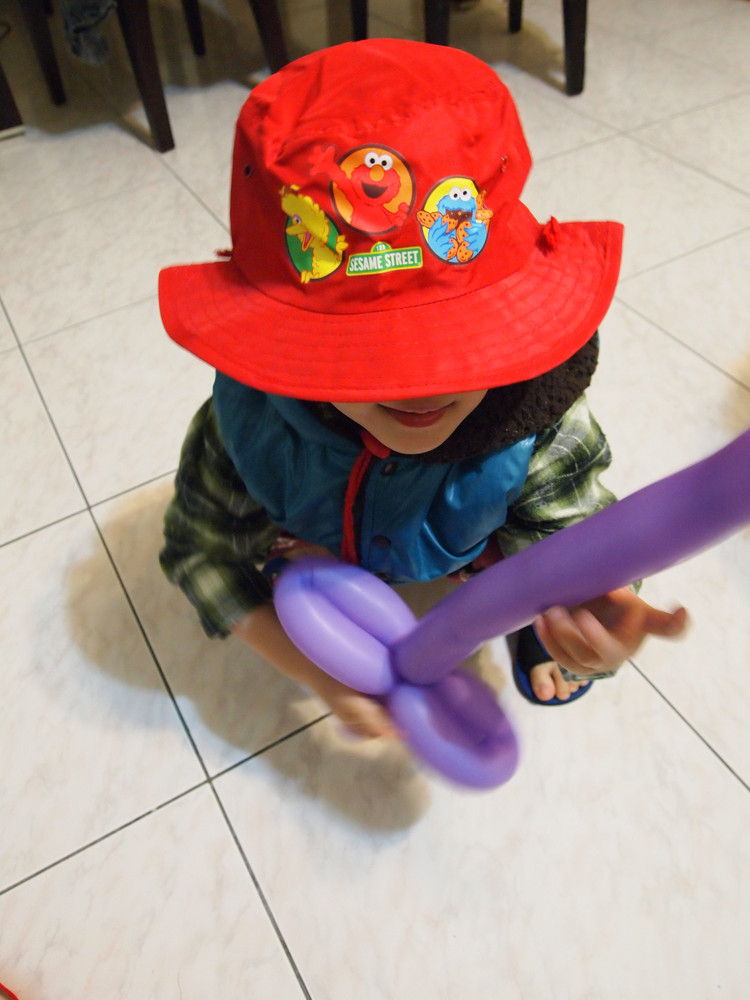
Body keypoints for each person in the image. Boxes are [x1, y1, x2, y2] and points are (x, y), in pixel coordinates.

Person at [158, 39, 686, 740]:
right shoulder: (249, 421)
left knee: (540, 568)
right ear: (284, 342)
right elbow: (198, 549)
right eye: (359, 352)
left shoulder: (544, 426)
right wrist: (316, 671)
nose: (419, 388)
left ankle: (519, 611)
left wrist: (584, 614)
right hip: (321, 534)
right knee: (281, 540)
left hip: (470, 554)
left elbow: (581, 542)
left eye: (462, 338)